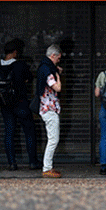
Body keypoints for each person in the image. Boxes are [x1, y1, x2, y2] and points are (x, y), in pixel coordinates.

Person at [0, 39, 38, 171]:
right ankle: (32, 162)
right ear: (15, 52)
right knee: (29, 132)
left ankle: (12, 163)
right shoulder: (20, 65)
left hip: (5, 105)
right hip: (21, 103)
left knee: (9, 133)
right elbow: (29, 78)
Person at [36, 44, 63, 178]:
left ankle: (48, 167)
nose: (59, 61)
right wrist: (58, 77)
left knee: (52, 139)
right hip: (49, 109)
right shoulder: (47, 70)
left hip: (46, 108)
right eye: (58, 58)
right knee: (53, 140)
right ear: (53, 56)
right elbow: (57, 88)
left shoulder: (44, 67)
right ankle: (47, 168)